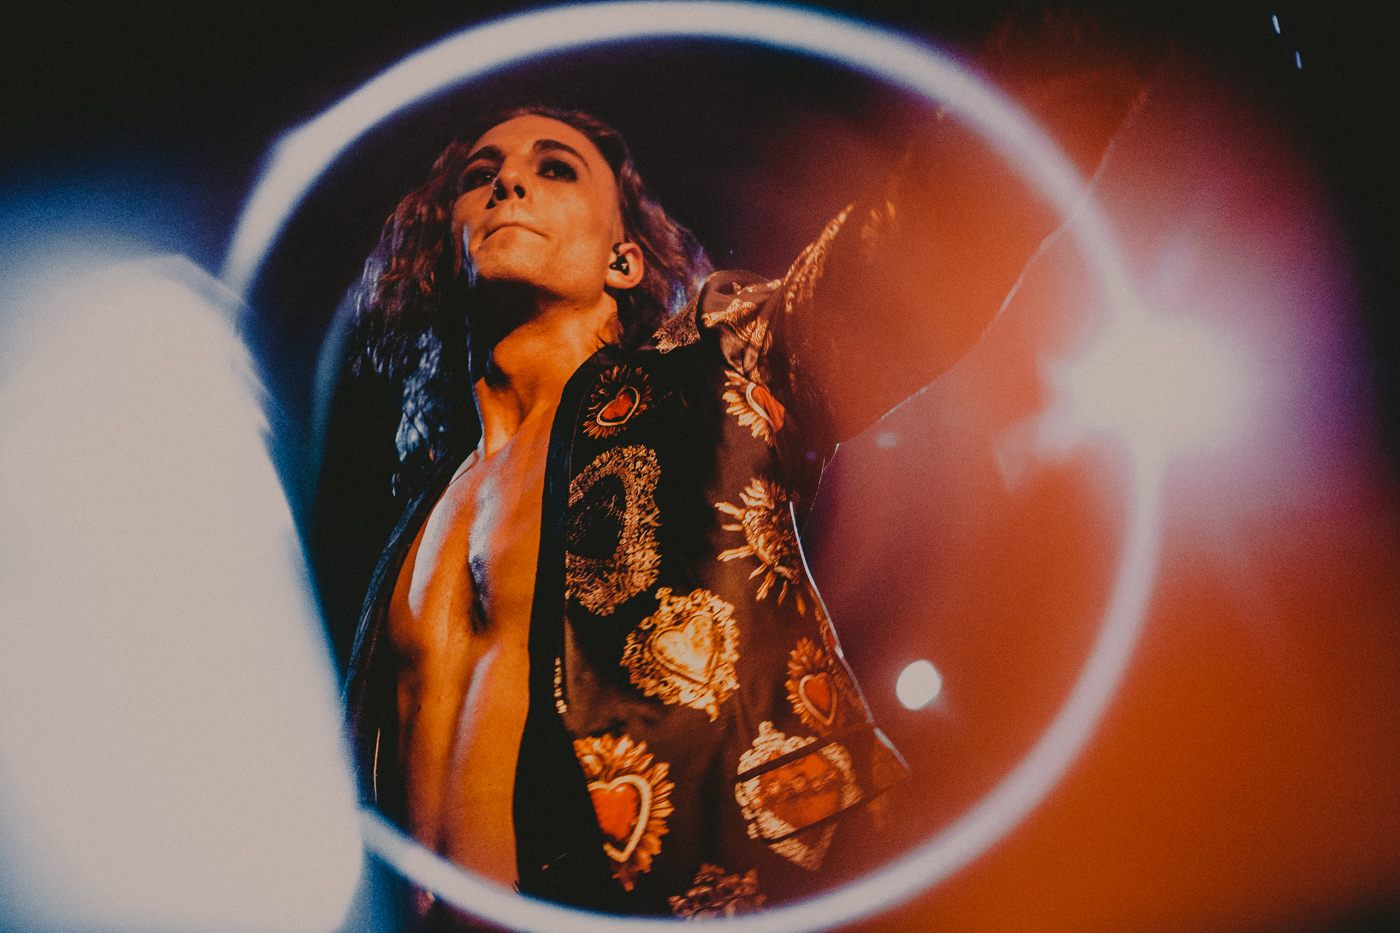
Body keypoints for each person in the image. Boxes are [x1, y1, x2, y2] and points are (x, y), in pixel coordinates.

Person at [328, 18, 1153, 924]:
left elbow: (927, 223)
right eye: (479, 176)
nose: (507, 183)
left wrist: (1075, 45)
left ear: (623, 259)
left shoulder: (715, 371)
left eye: (554, 168)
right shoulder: (411, 530)